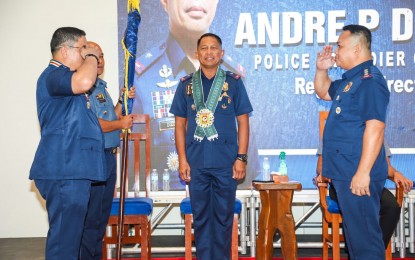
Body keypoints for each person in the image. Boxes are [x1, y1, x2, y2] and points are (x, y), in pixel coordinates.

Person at [131, 0, 245, 189]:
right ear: (165, 2)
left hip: (223, 181)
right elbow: (133, 173)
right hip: (170, 189)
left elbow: (247, 170)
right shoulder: (140, 77)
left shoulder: (235, 78)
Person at [170, 33, 253, 259]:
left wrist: (241, 158)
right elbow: (179, 126)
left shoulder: (234, 83)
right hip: (196, 162)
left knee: (224, 218)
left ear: (221, 53)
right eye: (204, 48)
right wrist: (183, 160)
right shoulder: (186, 85)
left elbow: (243, 122)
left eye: (214, 48)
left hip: (226, 162)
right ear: (197, 54)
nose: (209, 52)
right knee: (202, 218)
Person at [314, 24, 390, 259]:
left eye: (340, 45)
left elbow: (375, 127)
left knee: (365, 243)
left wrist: (363, 172)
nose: (335, 50)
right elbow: (323, 91)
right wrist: (321, 70)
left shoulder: (370, 81)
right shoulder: (351, 80)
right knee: (357, 242)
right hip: (345, 172)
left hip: (357, 172)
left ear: (356, 49)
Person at [29, 27, 106, 260]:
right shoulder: (54, 74)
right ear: (64, 51)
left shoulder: (65, 78)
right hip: (64, 169)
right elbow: (84, 80)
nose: (85, 54)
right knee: (64, 244)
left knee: (72, 241)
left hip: (73, 169)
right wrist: (93, 54)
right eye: (82, 48)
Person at [78, 41, 135, 259]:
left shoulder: (100, 86)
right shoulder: (82, 88)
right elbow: (93, 125)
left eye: (102, 55)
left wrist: (122, 100)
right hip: (93, 158)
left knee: (100, 219)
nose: (100, 60)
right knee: (91, 219)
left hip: (109, 157)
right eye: (94, 56)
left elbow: (110, 116)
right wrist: (121, 124)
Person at [315, 140, 413, 248]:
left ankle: (376, 250)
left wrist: (396, 173)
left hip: (371, 185)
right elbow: (320, 166)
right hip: (342, 185)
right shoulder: (334, 131)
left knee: (392, 206)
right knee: (356, 205)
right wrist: (324, 172)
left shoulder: (376, 134)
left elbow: (385, 167)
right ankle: (359, 251)